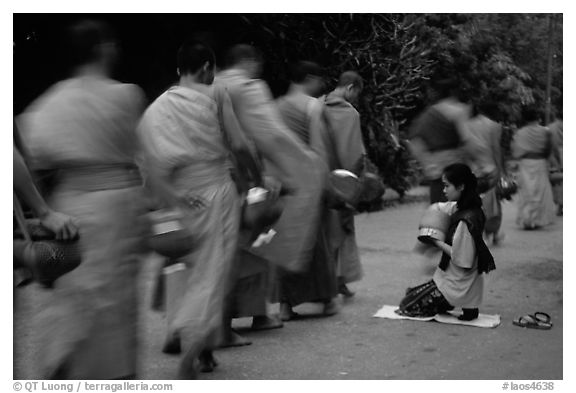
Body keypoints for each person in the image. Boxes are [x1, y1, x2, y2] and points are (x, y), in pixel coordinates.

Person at [16, 19, 147, 379]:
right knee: (114, 303)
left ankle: (64, 366)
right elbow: (139, 155)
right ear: (103, 49)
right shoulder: (126, 96)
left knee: (73, 295)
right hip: (118, 206)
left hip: (69, 208)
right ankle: (112, 376)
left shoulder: (48, 104)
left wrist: (43, 211)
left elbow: (31, 161)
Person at [138, 41, 260, 378]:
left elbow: (150, 164)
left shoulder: (161, 105)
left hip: (181, 199)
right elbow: (238, 145)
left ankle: (202, 349)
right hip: (216, 193)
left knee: (188, 270)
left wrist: (174, 196)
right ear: (207, 68)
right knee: (213, 273)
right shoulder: (216, 94)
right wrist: (256, 178)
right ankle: (191, 350)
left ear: (180, 71)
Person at [215, 45, 324, 341]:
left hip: (202, 178)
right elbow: (269, 134)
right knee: (255, 246)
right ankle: (249, 318)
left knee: (212, 252)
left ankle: (196, 324)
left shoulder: (207, 84)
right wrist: (303, 164)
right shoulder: (249, 87)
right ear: (249, 62)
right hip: (240, 177)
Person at [275, 61, 338, 320]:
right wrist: (327, 184)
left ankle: (285, 305)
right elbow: (319, 149)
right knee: (317, 243)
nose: (322, 85)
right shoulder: (312, 107)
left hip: (283, 182)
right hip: (308, 183)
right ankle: (327, 299)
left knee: (286, 243)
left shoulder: (275, 107)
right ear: (310, 78)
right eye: (320, 79)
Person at [397, 163, 496, 321]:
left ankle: (455, 302)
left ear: (461, 186)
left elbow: (463, 259)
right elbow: (442, 207)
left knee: (408, 305)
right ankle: (465, 306)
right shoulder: (470, 207)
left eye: (447, 186)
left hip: (457, 285)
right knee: (411, 293)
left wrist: (435, 242)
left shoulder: (466, 221)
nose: (443, 190)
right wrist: (433, 211)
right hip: (459, 282)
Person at [321, 71, 366, 298]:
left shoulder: (319, 105)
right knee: (344, 229)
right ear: (350, 88)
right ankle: (339, 279)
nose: (356, 98)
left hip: (319, 176)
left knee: (323, 230)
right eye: (356, 93)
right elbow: (355, 153)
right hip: (342, 179)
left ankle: (327, 280)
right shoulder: (350, 114)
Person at [409, 76, 479, 204]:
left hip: (435, 167)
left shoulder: (428, 113)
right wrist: (477, 161)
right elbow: (467, 139)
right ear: (455, 91)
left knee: (438, 209)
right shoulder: (458, 110)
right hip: (455, 164)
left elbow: (415, 140)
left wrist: (426, 164)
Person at [511, 106, 556, 230]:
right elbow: (549, 149)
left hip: (525, 163)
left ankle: (527, 219)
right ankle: (536, 220)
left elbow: (515, 151)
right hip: (540, 162)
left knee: (527, 192)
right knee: (540, 192)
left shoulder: (520, 133)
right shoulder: (545, 131)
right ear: (538, 118)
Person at [467, 103, 505, 244]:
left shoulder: (463, 126)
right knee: (493, 205)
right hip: (489, 169)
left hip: (471, 171)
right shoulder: (493, 126)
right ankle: (493, 234)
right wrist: (500, 170)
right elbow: (496, 149)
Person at [547, 116, 563, 216]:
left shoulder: (550, 127)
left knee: (558, 182)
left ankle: (560, 205)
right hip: (559, 156)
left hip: (554, 157)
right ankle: (561, 205)